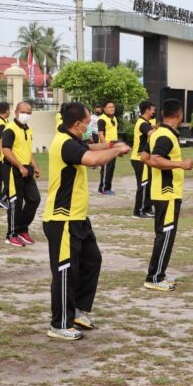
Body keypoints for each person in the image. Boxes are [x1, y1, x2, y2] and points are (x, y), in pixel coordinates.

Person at [43, 102, 131, 341]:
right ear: (77, 124)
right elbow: (92, 158)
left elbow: (92, 146)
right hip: (62, 218)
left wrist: (113, 144)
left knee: (92, 260)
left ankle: (77, 311)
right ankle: (60, 323)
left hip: (78, 217)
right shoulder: (64, 144)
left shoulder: (71, 138)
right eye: (88, 121)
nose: (90, 124)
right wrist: (116, 151)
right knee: (65, 271)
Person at [143, 99, 193, 291]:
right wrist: (180, 164)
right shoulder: (165, 136)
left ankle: (159, 274)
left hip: (161, 191)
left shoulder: (158, 132)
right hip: (167, 193)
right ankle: (155, 277)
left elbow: (144, 158)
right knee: (166, 235)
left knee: (163, 235)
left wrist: (163, 166)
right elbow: (154, 159)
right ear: (180, 114)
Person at [3, 102, 42, 247]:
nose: (26, 114)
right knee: (15, 202)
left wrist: (35, 166)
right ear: (16, 112)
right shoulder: (10, 129)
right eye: (24, 112)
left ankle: (22, 229)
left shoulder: (28, 130)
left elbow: (27, 150)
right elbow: (6, 150)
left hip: (27, 169)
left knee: (34, 199)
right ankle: (11, 234)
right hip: (13, 169)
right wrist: (19, 166)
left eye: (29, 112)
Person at [131, 101, 156, 218]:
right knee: (143, 185)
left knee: (148, 184)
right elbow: (151, 133)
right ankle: (138, 211)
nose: (153, 111)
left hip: (144, 158)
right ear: (147, 110)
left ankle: (147, 208)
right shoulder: (142, 123)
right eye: (152, 109)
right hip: (139, 158)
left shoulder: (146, 122)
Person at [97, 100, 119, 194]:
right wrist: (105, 146)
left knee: (111, 167)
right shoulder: (102, 119)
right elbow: (100, 134)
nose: (112, 108)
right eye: (110, 107)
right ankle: (103, 188)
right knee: (106, 167)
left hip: (113, 146)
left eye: (113, 107)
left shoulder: (114, 118)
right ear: (104, 108)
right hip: (106, 146)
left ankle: (108, 187)